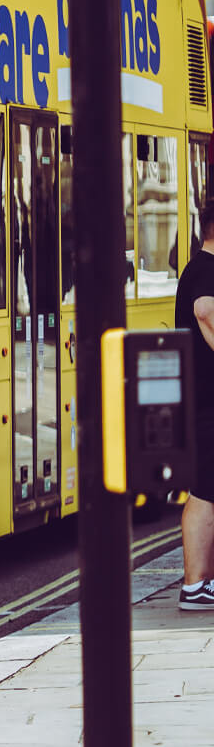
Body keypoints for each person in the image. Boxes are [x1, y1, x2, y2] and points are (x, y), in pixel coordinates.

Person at [172, 199, 214, 610]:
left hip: (203, 399)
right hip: (207, 402)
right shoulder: (204, 269)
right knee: (205, 490)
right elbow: (205, 311)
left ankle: (203, 581)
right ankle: (195, 584)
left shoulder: (198, 268)